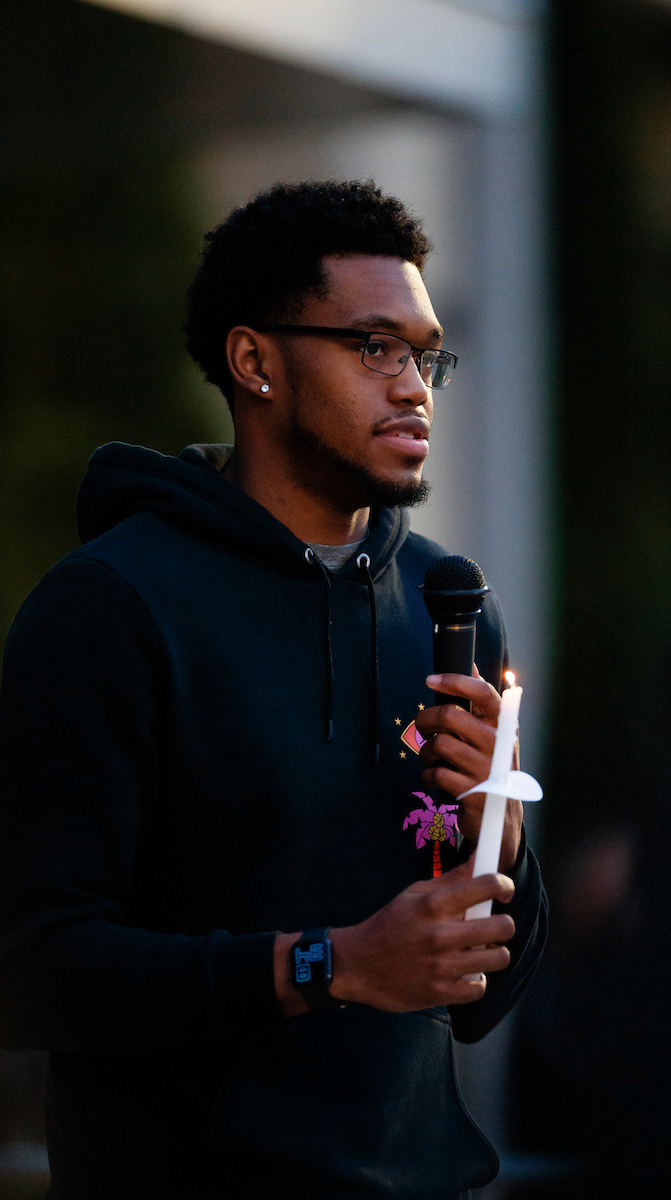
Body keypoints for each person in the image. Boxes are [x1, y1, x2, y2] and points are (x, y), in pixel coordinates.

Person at [0, 180, 546, 1199]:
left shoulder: (446, 604)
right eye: (371, 346)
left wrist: (497, 838)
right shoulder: (113, 606)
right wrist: (324, 965)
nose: (412, 385)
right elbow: (33, 970)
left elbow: (477, 999)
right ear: (254, 362)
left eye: (423, 352)